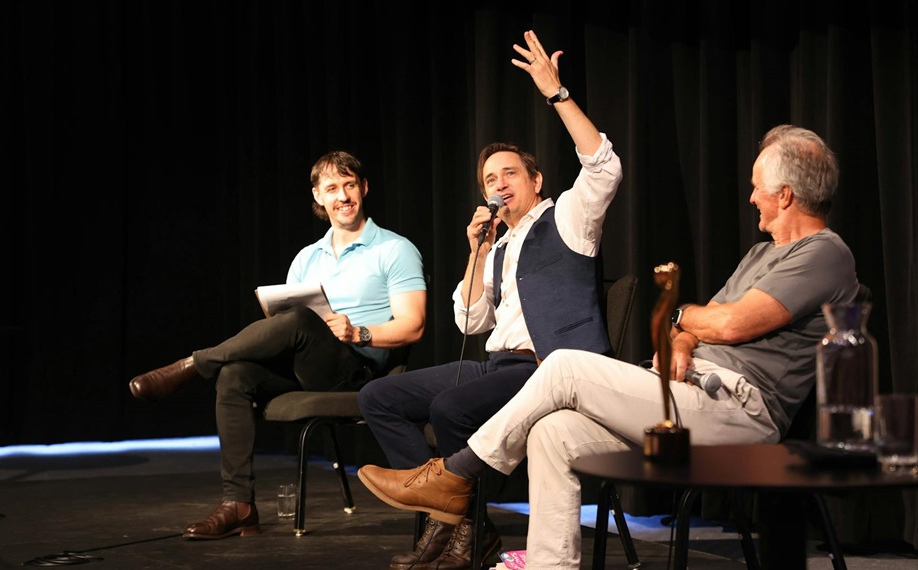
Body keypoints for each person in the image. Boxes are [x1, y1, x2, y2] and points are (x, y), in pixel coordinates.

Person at [358, 123, 858, 569]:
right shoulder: (759, 254)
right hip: (685, 393)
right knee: (552, 431)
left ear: (785, 195)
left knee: (562, 367)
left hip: (738, 408)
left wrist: (686, 318)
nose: (751, 198)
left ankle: (455, 476)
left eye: (757, 188)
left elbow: (729, 323)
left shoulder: (824, 253)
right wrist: (685, 332)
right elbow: (701, 321)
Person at [357, 29, 623, 569]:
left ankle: (463, 530)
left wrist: (556, 93)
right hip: (496, 365)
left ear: (536, 180)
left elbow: (604, 166)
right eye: (489, 180)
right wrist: (475, 252)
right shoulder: (496, 246)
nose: (499, 185)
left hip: (548, 368)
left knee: (449, 407)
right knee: (378, 398)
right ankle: (460, 525)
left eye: (509, 174)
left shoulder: (568, 219)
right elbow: (470, 321)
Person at [129, 150, 427, 540]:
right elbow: (284, 327)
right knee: (235, 375)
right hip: (305, 365)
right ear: (318, 196)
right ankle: (239, 505)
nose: (343, 196)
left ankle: (194, 364)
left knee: (301, 319)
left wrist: (358, 332)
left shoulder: (394, 249)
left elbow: (413, 326)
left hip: (358, 372)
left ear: (364, 188)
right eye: (332, 188)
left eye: (350, 185)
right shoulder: (307, 257)